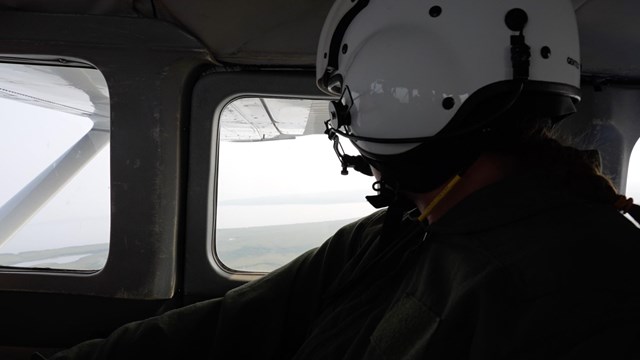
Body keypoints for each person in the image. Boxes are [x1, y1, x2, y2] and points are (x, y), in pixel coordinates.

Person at [48, 0, 640, 359]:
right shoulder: (406, 232)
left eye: (345, 97)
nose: (345, 119)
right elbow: (224, 327)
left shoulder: (579, 288)